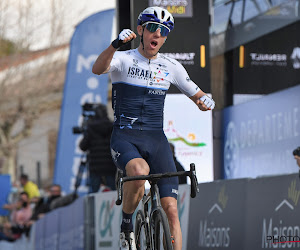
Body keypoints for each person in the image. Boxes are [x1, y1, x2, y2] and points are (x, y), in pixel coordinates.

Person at [92, 6, 215, 250]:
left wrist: (205, 102)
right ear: (141, 30)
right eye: (152, 28)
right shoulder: (124, 58)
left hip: (156, 140)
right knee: (139, 170)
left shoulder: (172, 66)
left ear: (165, 37)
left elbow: (199, 97)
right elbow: (98, 68)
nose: (157, 34)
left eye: (163, 31)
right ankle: (127, 227)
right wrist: (115, 45)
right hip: (125, 137)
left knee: (171, 210)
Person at [79, 104, 117, 193]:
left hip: (95, 165)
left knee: (94, 192)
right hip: (110, 164)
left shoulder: (91, 128)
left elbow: (83, 146)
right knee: (112, 191)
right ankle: (114, 206)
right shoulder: (112, 126)